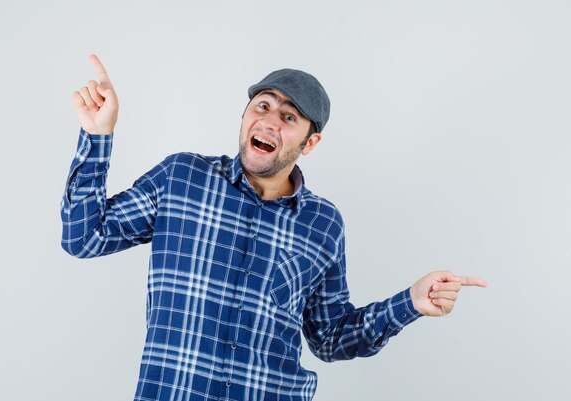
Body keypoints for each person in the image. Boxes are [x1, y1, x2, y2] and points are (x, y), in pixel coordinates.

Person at [61, 54, 487, 401]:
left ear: (310, 142)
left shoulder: (323, 225)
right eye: (262, 106)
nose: (268, 120)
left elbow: (330, 338)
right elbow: (84, 237)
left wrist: (409, 302)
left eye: (289, 117)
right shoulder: (182, 179)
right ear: (246, 115)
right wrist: (97, 136)